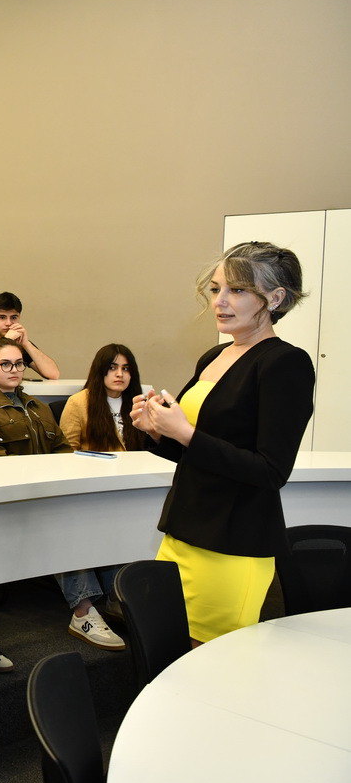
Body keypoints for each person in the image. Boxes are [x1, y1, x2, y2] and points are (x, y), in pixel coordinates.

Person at [131, 241, 314, 646]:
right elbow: (194, 450)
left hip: (232, 543)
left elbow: (271, 470)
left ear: (275, 298)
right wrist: (156, 430)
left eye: (238, 290)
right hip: (184, 528)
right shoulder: (215, 355)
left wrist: (185, 433)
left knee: (209, 662)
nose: (220, 301)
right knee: (168, 649)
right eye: (216, 289)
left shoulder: (285, 363)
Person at [0, 337, 73, 672]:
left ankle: (105, 603)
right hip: (8, 501)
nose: (14, 370)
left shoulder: (39, 407)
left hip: (45, 494)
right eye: (5, 364)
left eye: (19, 364)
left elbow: (64, 450)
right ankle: (85, 611)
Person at [56, 344, 150, 649]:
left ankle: (117, 597)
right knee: (71, 525)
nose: (120, 374)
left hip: (131, 491)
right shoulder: (79, 402)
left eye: (126, 368)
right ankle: (83, 611)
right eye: (112, 368)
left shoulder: (139, 404)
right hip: (88, 492)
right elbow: (64, 453)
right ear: (100, 371)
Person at [0, 291, 61, 380]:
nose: (8, 323)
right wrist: (6, 340)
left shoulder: (19, 342)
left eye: (14, 317)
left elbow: (53, 374)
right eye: (2, 317)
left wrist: (26, 344)